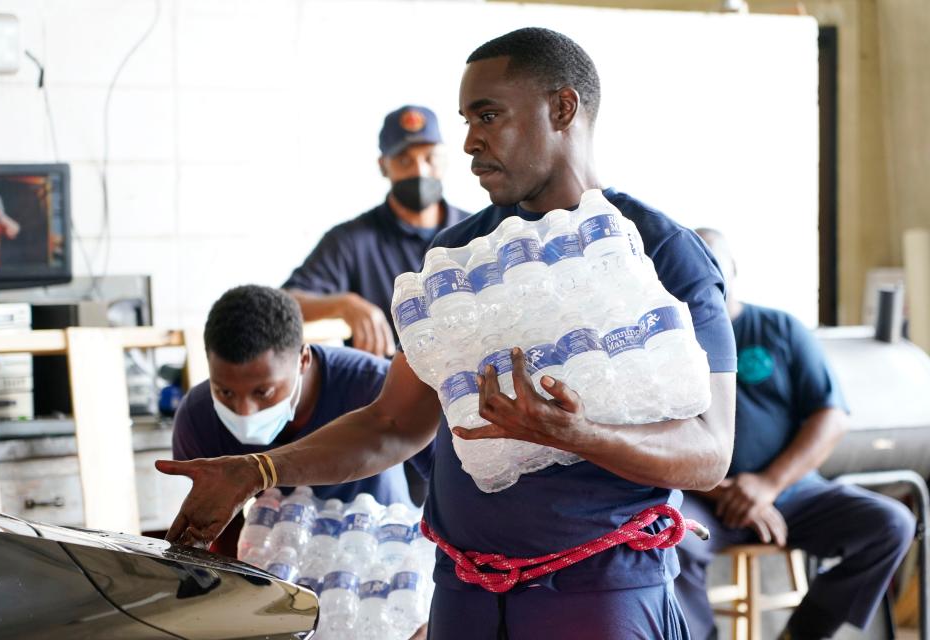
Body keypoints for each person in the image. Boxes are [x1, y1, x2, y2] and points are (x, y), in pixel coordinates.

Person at [158, 28, 739, 638]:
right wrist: (258, 469)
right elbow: (393, 424)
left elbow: (708, 452)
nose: (468, 143)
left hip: (593, 593)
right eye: (466, 119)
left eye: (489, 116)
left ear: (563, 109)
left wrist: (576, 433)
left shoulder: (661, 252)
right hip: (465, 594)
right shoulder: (458, 256)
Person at [674, 229, 916, 640]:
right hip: (702, 497)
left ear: (735, 270)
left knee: (891, 524)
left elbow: (832, 416)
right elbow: (653, 436)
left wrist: (767, 484)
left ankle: (801, 635)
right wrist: (725, 489)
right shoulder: (670, 344)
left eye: (716, 265)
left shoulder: (779, 327)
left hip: (793, 493)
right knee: (665, 537)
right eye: (694, 268)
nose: (707, 276)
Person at [170, 284, 433, 556]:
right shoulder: (198, 417)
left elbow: (445, 481)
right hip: (281, 561)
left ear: (303, 360)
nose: (244, 411)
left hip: (382, 561)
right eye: (225, 392)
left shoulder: (377, 388)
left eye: (264, 392)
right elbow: (220, 536)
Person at [282, 105, 470, 357]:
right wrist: (343, 304)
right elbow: (286, 302)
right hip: (385, 386)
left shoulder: (476, 231)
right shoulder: (350, 240)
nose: (419, 171)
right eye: (404, 160)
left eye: (429, 158)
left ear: (445, 160)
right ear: (384, 167)